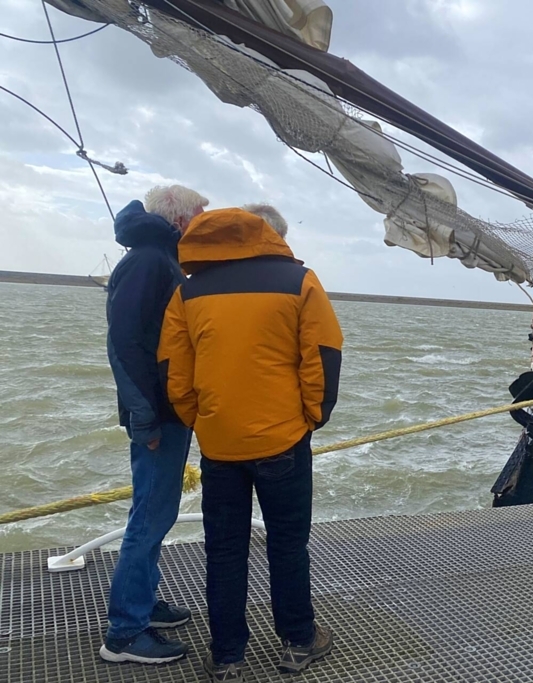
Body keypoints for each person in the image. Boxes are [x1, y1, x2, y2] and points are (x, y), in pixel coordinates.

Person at [158, 207, 343, 681]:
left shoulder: (188, 290)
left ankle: (227, 657)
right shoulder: (300, 281)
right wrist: (310, 419)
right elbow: (321, 356)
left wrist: (199, 421)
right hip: (283, 439)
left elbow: (173, 371)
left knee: (223, 551)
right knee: (287, 544)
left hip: (219, 445)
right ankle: (299, 641)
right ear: (269, 234)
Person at [100, 185, 209, 665]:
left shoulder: (158, 257)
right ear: (181, 220)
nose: (204, 224)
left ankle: (144, 602)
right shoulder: (149, 260)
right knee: (148, 516)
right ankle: (125, 633)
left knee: (156, 513)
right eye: (200, 216)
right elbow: (124, 343)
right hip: (156, 415)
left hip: (164, 410)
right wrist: (146, 416)